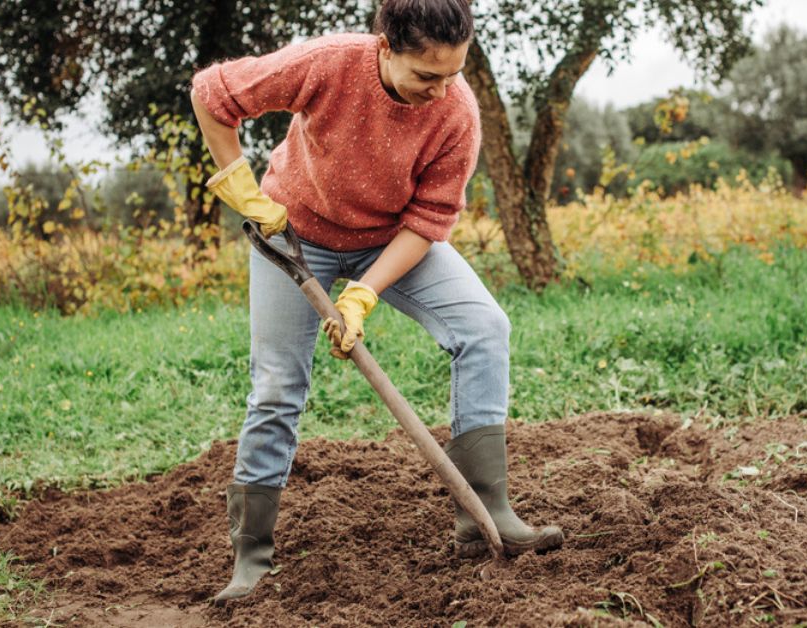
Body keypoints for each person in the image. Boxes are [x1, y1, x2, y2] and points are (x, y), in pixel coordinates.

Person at [190, 0, 563, 603]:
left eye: (454, 74)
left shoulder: (457, 112)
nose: (442, 92)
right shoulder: (330, 64)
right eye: (426, 76)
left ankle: (485, 512)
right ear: (385, 47)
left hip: (390, 239)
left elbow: (429, 219)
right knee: (279, 384)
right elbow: (213, 93)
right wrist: (244, 190)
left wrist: (366, 292)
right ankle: (251, 556)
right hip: (294, 236)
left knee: (484, 327)